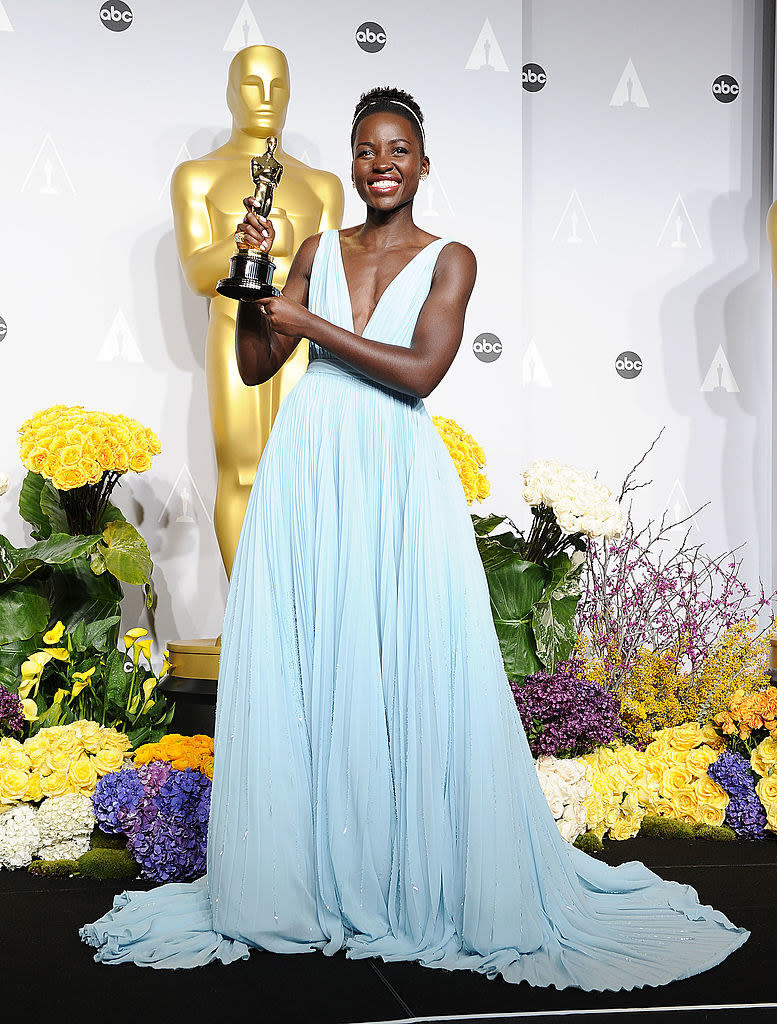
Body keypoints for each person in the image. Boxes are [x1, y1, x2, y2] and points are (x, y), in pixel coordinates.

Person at [79, 86, 749, 988]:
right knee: (318, 658)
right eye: (364, 150)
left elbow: (419, 370)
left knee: (406, 657)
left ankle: (411, 876)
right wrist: (253, 288)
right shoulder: (313, 247)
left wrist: (309, 321)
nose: (380, 162)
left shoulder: (450, 259)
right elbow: (252, 361)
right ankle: (310, 877)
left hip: (395, 471)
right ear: (352, 164)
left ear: (423, 164)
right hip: (310, 465)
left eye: (397, 149)